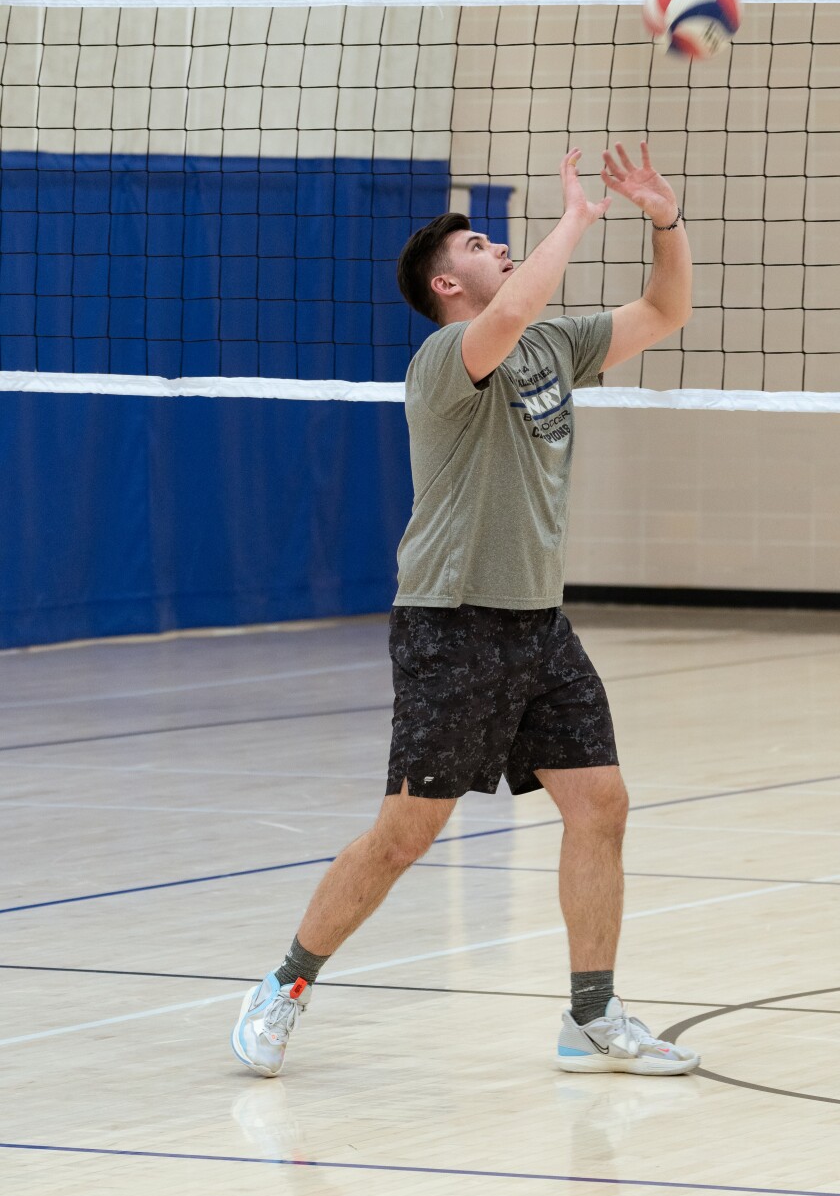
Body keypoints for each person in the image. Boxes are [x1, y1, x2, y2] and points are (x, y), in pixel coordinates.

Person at [232, 142, 699, 1077]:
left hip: (537, 620)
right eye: (483, 243)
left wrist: (663, 219)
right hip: (451, 618)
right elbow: (518, 304)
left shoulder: (551, 346)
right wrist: (578, 218)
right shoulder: (449, 355)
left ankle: (591, 1015)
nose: (501, 249)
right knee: (409, 832)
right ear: (450, 283)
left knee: (600, 804)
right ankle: (284, 984)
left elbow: (662, 312)